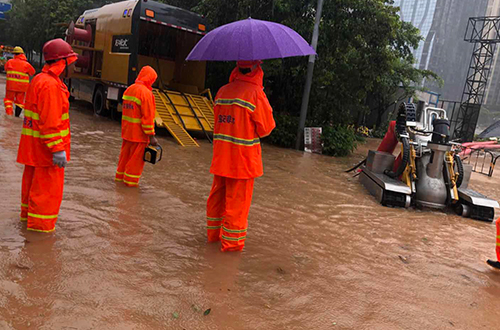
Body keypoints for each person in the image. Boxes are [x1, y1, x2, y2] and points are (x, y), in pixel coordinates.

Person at [206, 60, 276, 252]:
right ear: (256, 70)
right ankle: (230, 251)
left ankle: (212, 238)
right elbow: (266, 129)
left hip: (221, 159)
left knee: (217, 200)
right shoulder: (255, 94)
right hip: (242, 163)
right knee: (237, 207)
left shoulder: (222, 92)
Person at [17, 39, 78, 233]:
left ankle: (29, 230)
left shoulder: (39, 80)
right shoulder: (51, 86)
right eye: (73, 63)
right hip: (47, 156)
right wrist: (57, 149)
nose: (75, 68)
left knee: (31, 195)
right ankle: (40, 241)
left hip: (35, 152)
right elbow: (50, 122)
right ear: (63, 62)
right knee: (46, 198)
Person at [115, 66, 158, 187]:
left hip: (127, 132)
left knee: (124, 159)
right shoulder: (146, 93)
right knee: (135, 162)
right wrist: (151, 136)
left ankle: (119, 182)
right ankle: (130, 187)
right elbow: (147, 117)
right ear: (150, 79)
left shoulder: (129, 89)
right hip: (139, 135)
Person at [4, 46, 36, 117]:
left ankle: (9, 114)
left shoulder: (9, 62)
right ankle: (17, 116)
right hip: (22, 88)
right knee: (20, 102)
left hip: (10, 86)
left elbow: (6, 69)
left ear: (14, 54)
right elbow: (33, 72)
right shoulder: (26, 64)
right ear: (22, 54)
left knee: (8, 100)